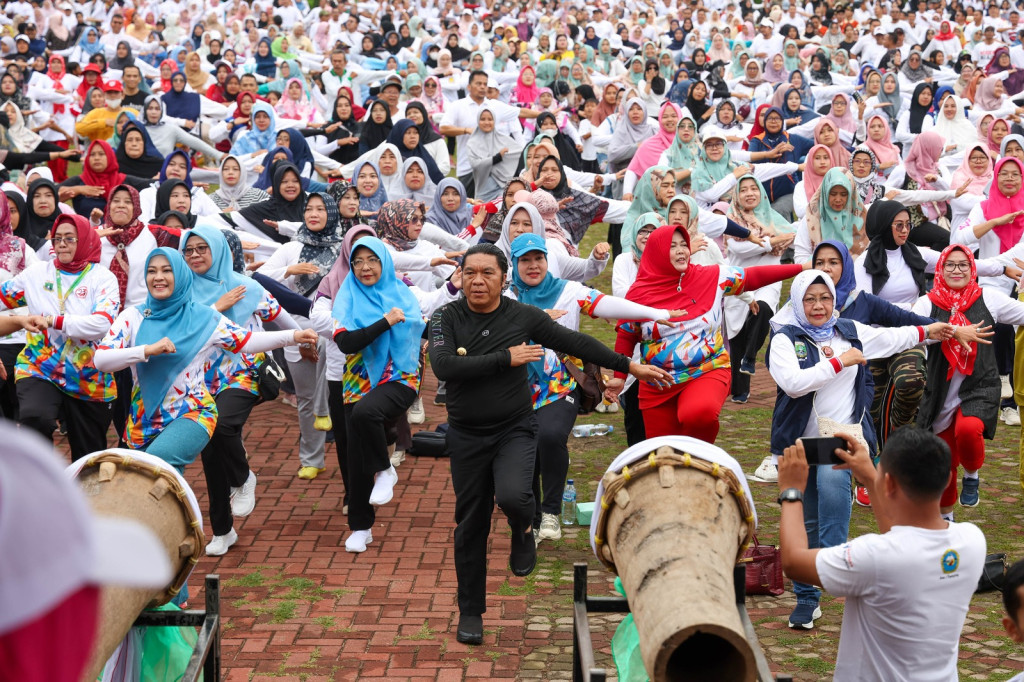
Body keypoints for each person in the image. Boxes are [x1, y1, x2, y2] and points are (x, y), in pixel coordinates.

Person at [428, 243, 672, 646]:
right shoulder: (446, 317)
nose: (477, 281)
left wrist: (628, 366)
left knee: (513, 495)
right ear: (460, 276)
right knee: (470, 524)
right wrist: (506, 358)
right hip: (467, 435)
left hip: (513, 428)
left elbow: (577, 343)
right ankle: (471, 610)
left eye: (487, 273)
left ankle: (525, 528)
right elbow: (445, 366)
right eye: (469, 272)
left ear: (503, 278)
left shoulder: (522, 315)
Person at [768, 270, 952, 629]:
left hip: (841, 437)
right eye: (810, 299)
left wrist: (933, 331)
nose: (819, 306)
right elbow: (792, 384)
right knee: (806, 518)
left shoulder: (849, 331)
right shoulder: (785, 339)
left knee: (834, 496)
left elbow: (891, 337)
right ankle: (807, 599)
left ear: (834, 299)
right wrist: (839, 361)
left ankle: (834, 568)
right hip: (800, 444)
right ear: (798, 302)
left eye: (825, 298)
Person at [777, 426, 985, 677]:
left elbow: (793, 562)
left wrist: (791, 491)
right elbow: (901, 540)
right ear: (948, 479)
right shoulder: (972, 541)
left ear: (889, 483)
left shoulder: (874, 556)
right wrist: (870, 477)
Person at [606, 224, 805, 442]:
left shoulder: (712, 276)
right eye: (672, 246)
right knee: (662, 452)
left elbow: (752, 276)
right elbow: (626, 336)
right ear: (657, 252)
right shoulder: (638, 292)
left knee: (697, 414)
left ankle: (701, 459)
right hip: (658, 384)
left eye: (684, 245)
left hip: (707, 370)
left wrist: (801, 268)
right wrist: (620, 378)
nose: (682, 250)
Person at [913, 245, 1024, 515]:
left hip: (980, 386)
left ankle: (973, 474)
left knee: (969, 430)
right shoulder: (927, 303)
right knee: (944, 462)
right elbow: (913, 332)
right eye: (950, 264)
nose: (957, 270)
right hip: (938, 392)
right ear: (940, 269)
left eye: (963, 264)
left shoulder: (989, 298)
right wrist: (952, 331)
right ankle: (947, 519)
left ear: (972, 269)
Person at [0, 214, 118, 461]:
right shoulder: (36, 274)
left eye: (70, 238)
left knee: (88, 457)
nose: (62, 244)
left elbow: (101, 324)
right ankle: (42, 478)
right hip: (39, 365)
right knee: (35, 418)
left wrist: (54, 321)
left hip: (88, 375)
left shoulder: (102, 278)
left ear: (85, 240)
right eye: (57, 238)